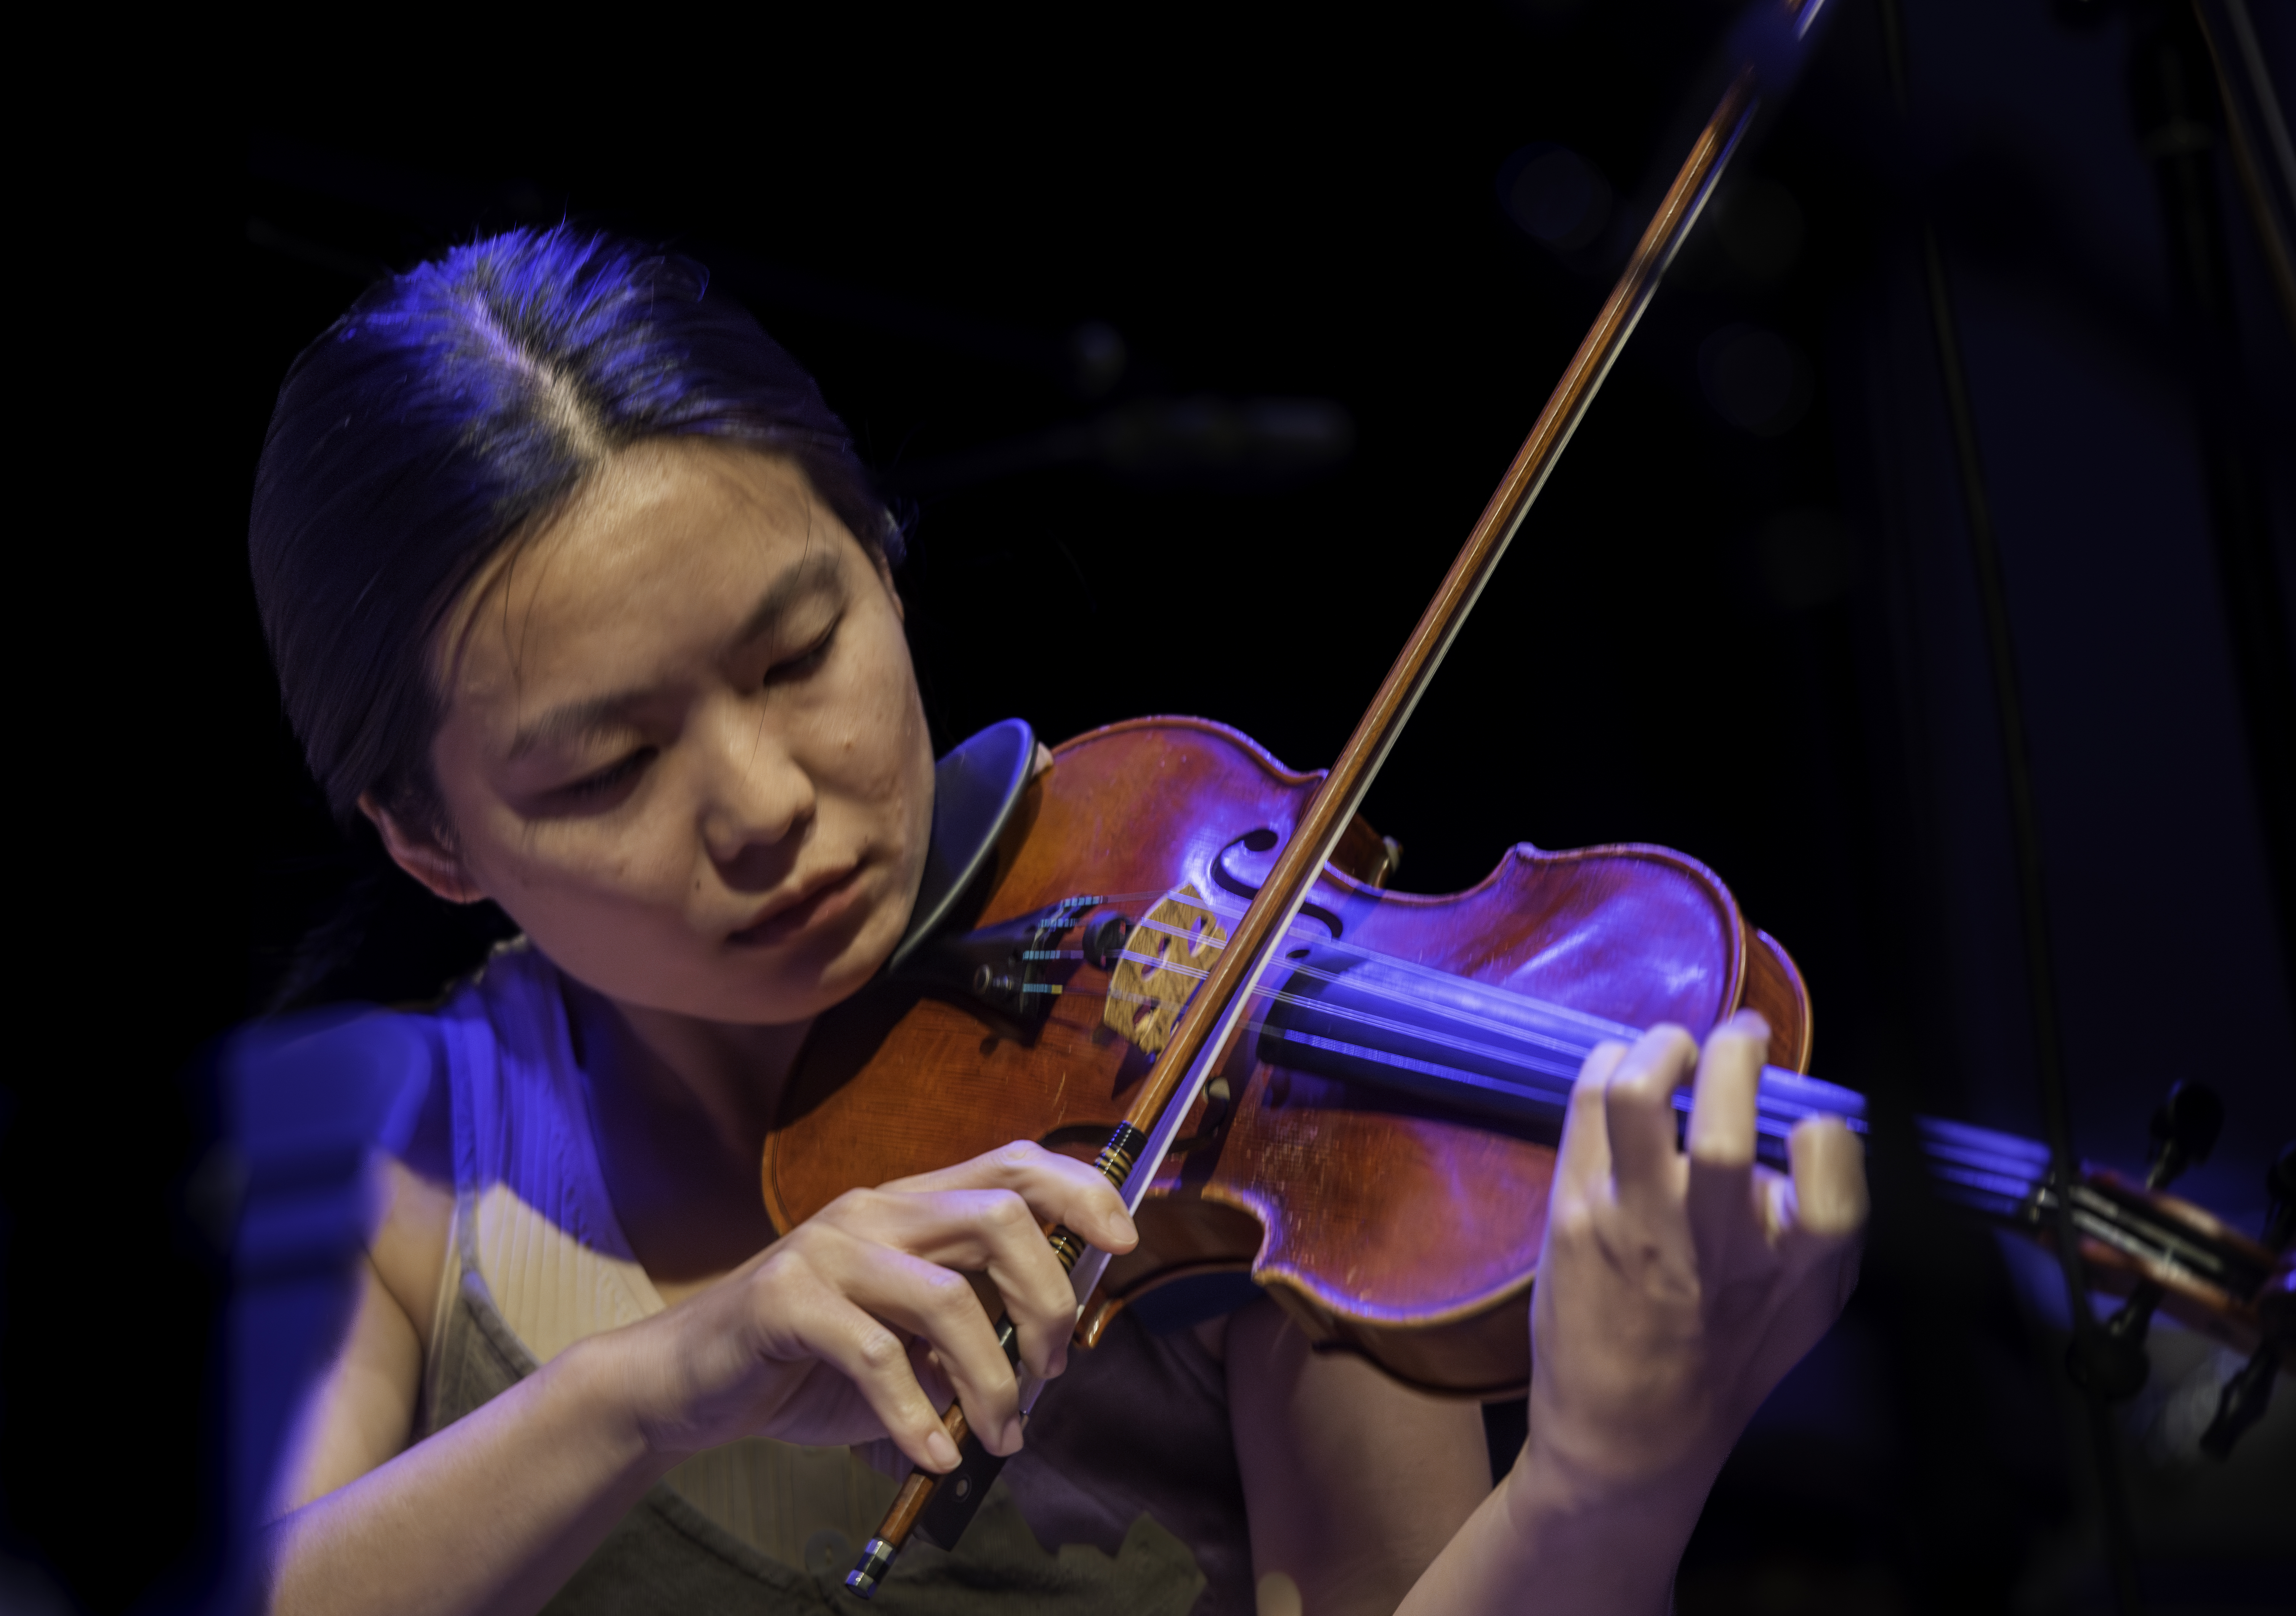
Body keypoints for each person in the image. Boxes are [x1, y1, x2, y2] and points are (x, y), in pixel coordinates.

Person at [249, 226, 1867, 1616]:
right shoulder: (382, 1150)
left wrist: (1602, 1488)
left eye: (799, 654)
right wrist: (656, 1387)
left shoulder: (1239, 1138)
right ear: (431, 840)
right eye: (610, 766)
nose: (762, 803)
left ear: (884, 568)